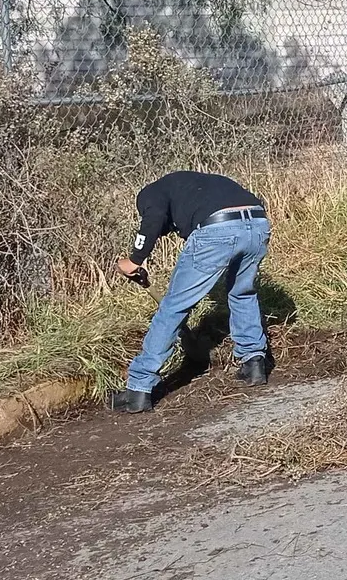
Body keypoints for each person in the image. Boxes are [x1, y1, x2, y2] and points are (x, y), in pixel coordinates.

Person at [106, 170, 272, 414]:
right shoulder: (196, 185)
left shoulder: (151, 193)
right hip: (257, 225)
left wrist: (134, 260)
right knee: (242, 293)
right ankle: (254, 362)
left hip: (217, 228)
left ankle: (138, 388)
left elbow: (153, 220)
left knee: (174, 306)